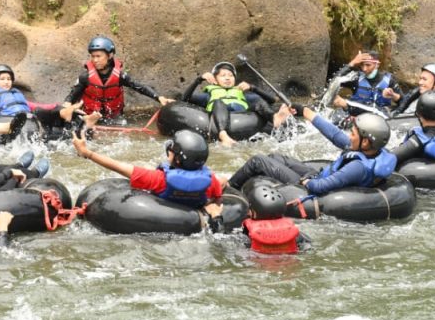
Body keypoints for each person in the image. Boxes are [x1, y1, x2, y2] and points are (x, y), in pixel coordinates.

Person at [225, 108, 397, 197]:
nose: (349, 136)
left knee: (258, 161)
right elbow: (335, 135)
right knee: (275, 158)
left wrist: (307, 182)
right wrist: (306, 113)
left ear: (365, 141)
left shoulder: (357, 167)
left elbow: (321, 187)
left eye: (353, 133)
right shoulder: (369, 152)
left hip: (309, 187)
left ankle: (228, 189)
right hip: (319, 175)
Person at [72, 128, 225, 209]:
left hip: (158, 210)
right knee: (224, 180)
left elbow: (117, 166)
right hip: (194, 215)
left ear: (175, 157)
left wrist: (87, 153)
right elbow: (217, 197)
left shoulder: (157, 179)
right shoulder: (211, 182)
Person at [0, 64, 101, 135]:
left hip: (30, 121)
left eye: (9, 79)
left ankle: (83, 123)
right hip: (12, 124)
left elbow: (35, 105)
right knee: (40, 115)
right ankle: (67, 115)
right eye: (2, 79)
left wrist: (58, 105)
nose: (6, 82)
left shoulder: (17, 95)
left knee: (44, 111)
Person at [181, 61, 291, 146]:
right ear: (215, 79)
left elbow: (271, 101)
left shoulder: (242, 94)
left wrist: (253, 88)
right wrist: (198, 80)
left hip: (244, 118)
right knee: (218, 102)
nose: (227, 78)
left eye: (230, 75)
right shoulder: (209, 95)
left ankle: (275, 119)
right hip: (219, 117)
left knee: (258, 101)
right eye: (223, 75)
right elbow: (185, 99)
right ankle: (223, 136)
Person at [64, 36, 173, 121]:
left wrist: (159, 98)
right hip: (91, 117)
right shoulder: (85, 77)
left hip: (114, 118)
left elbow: (139, 87)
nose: (95, 60)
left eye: (98, 56)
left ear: (110, 56)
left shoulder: (120, 76)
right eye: (93, 56)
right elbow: (70, 98)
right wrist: (68, 107)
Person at [205, 183, 311, 254]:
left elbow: (219, 241)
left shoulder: (246, 239)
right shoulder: (298, 236)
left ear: (253, 213)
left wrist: (216, 217)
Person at [331, 50, 404, 115]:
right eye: (362, 65)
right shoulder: (356, 78)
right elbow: (335, 81)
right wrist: (352, 63)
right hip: (357, 117)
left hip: (380, 120)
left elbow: (403, 102)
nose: (364, 69)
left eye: (368, 65)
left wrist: (393, 95)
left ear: (377, 65)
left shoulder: (389, 80)